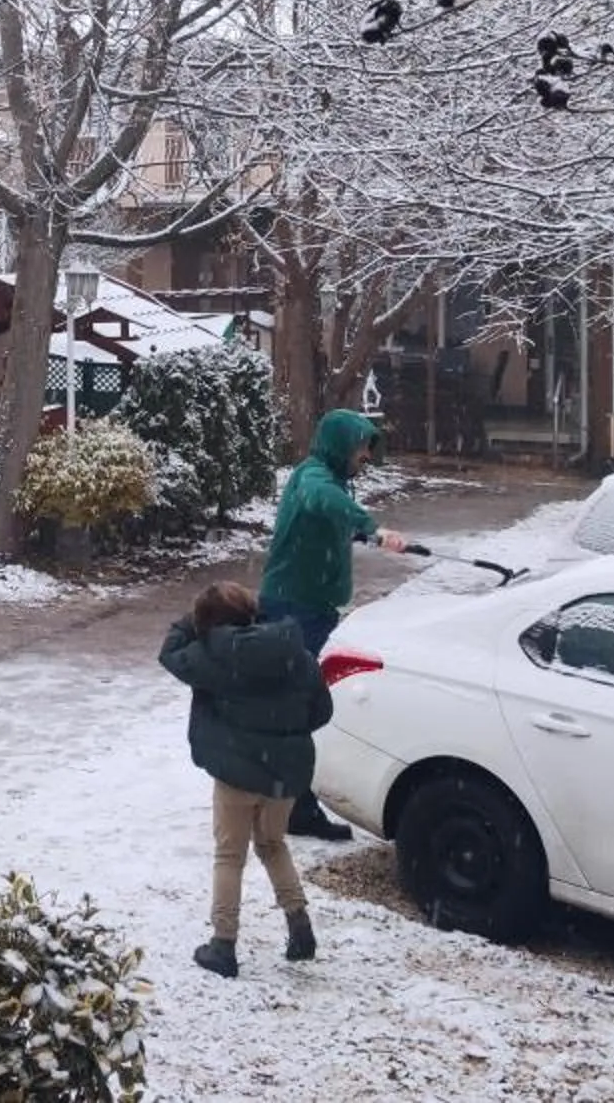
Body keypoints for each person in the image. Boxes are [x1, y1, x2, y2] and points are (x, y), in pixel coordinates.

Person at [159, 581, 332, 976]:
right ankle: (300, 927)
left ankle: (223, 944)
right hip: (285, 775)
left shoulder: (213, 656)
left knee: (229, 855)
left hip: (236, 775)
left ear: (209, 623)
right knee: (273, 844)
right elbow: (321, 710)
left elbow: (169, 653)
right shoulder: (295, 652)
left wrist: (194, 622)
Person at [257, 408, 405, 839]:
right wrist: (371, 527)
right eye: (360, 446)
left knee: (294, 708)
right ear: (340, 443)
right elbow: (326, 502)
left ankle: (278, 802)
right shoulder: (314, 477)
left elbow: (326, 516)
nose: (365, 455)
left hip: (309, 607)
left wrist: (358, 533)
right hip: (292, 610)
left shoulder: (330, 477)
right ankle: (293, 811)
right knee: (294, 711)